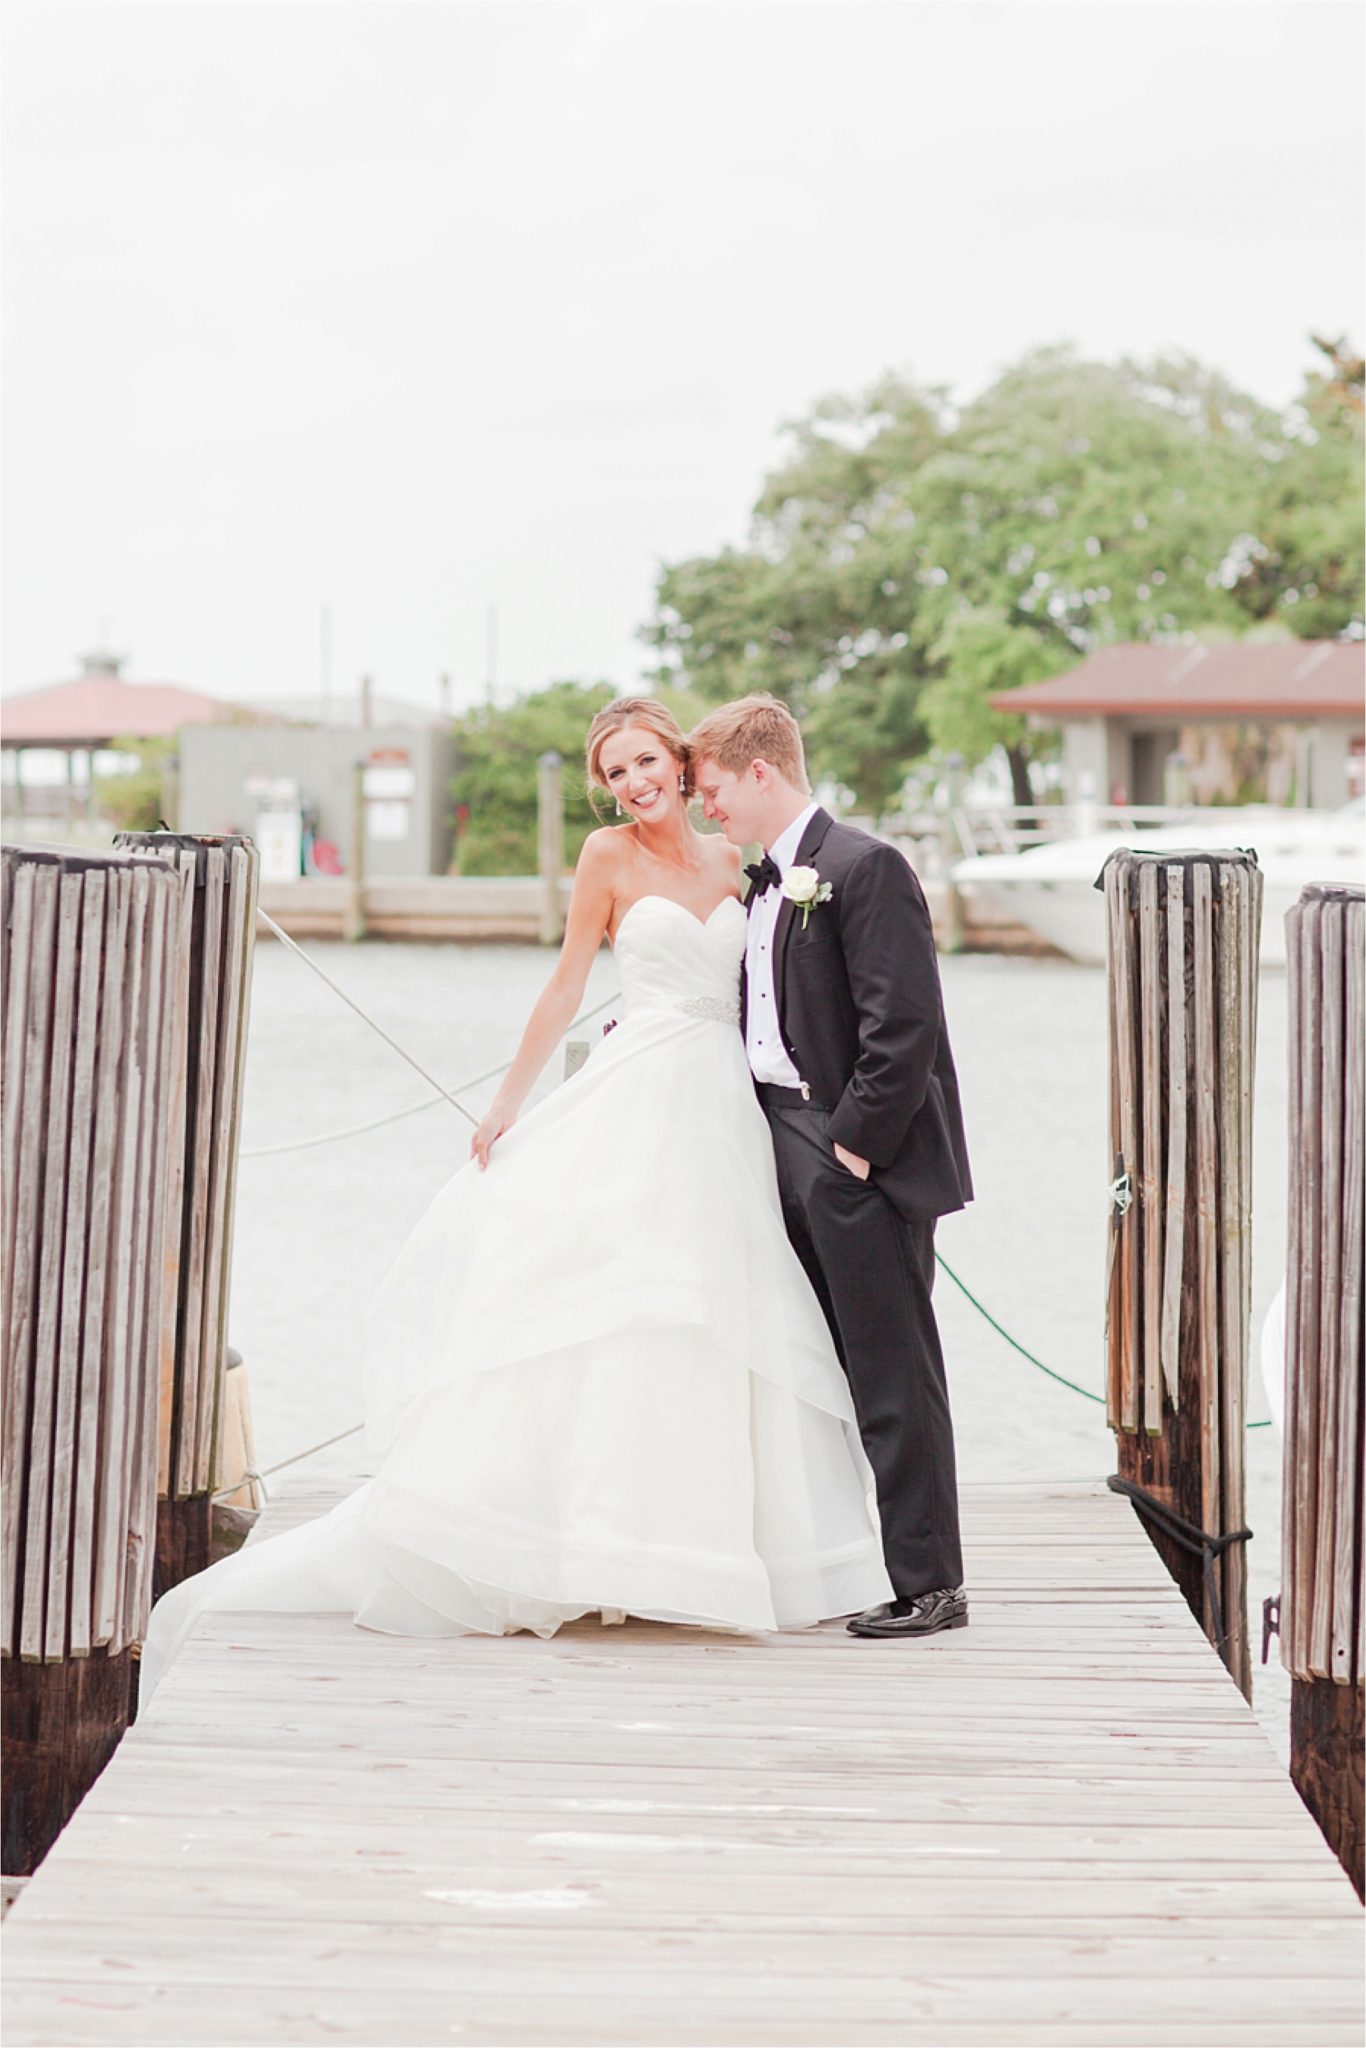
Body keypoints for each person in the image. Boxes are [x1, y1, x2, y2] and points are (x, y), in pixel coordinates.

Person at [138, 698, 890, 1702]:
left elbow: (781, 987)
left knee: (724, 1313)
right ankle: (598, 1547)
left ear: (679, 758)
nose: (632, 782)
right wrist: (504, 1104)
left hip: (728, 1109)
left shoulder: (738, 862)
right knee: (622, 1308)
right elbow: (566, 986)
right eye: (613, 771)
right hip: (642, 1097)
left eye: (644, 761)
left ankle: (703, 1547)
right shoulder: (606, 858)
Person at [689, 694, 972, 1640]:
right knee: (814, 1369)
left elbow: (906, 1028)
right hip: (770, 1139)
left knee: (892, 1370)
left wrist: (852, 1149)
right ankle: (850, 1560)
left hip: (849, 1153)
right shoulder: (760, 881)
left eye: (715, 788)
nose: (708, 808)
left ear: (760, 771)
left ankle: (933, 1584)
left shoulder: (865, 866)